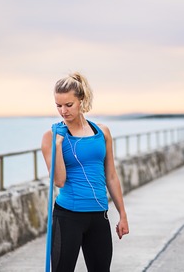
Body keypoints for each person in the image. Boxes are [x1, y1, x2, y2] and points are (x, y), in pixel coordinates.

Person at [41, 72, 129, 272]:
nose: (63, 111)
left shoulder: (102, 132)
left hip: (99, 215)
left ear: (82, 100)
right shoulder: (51, 137)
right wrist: (58, 145)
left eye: (68, 105)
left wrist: (122, 214)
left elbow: (111, 176)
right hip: (68, 216)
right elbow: (60, 181)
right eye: (58, 105)